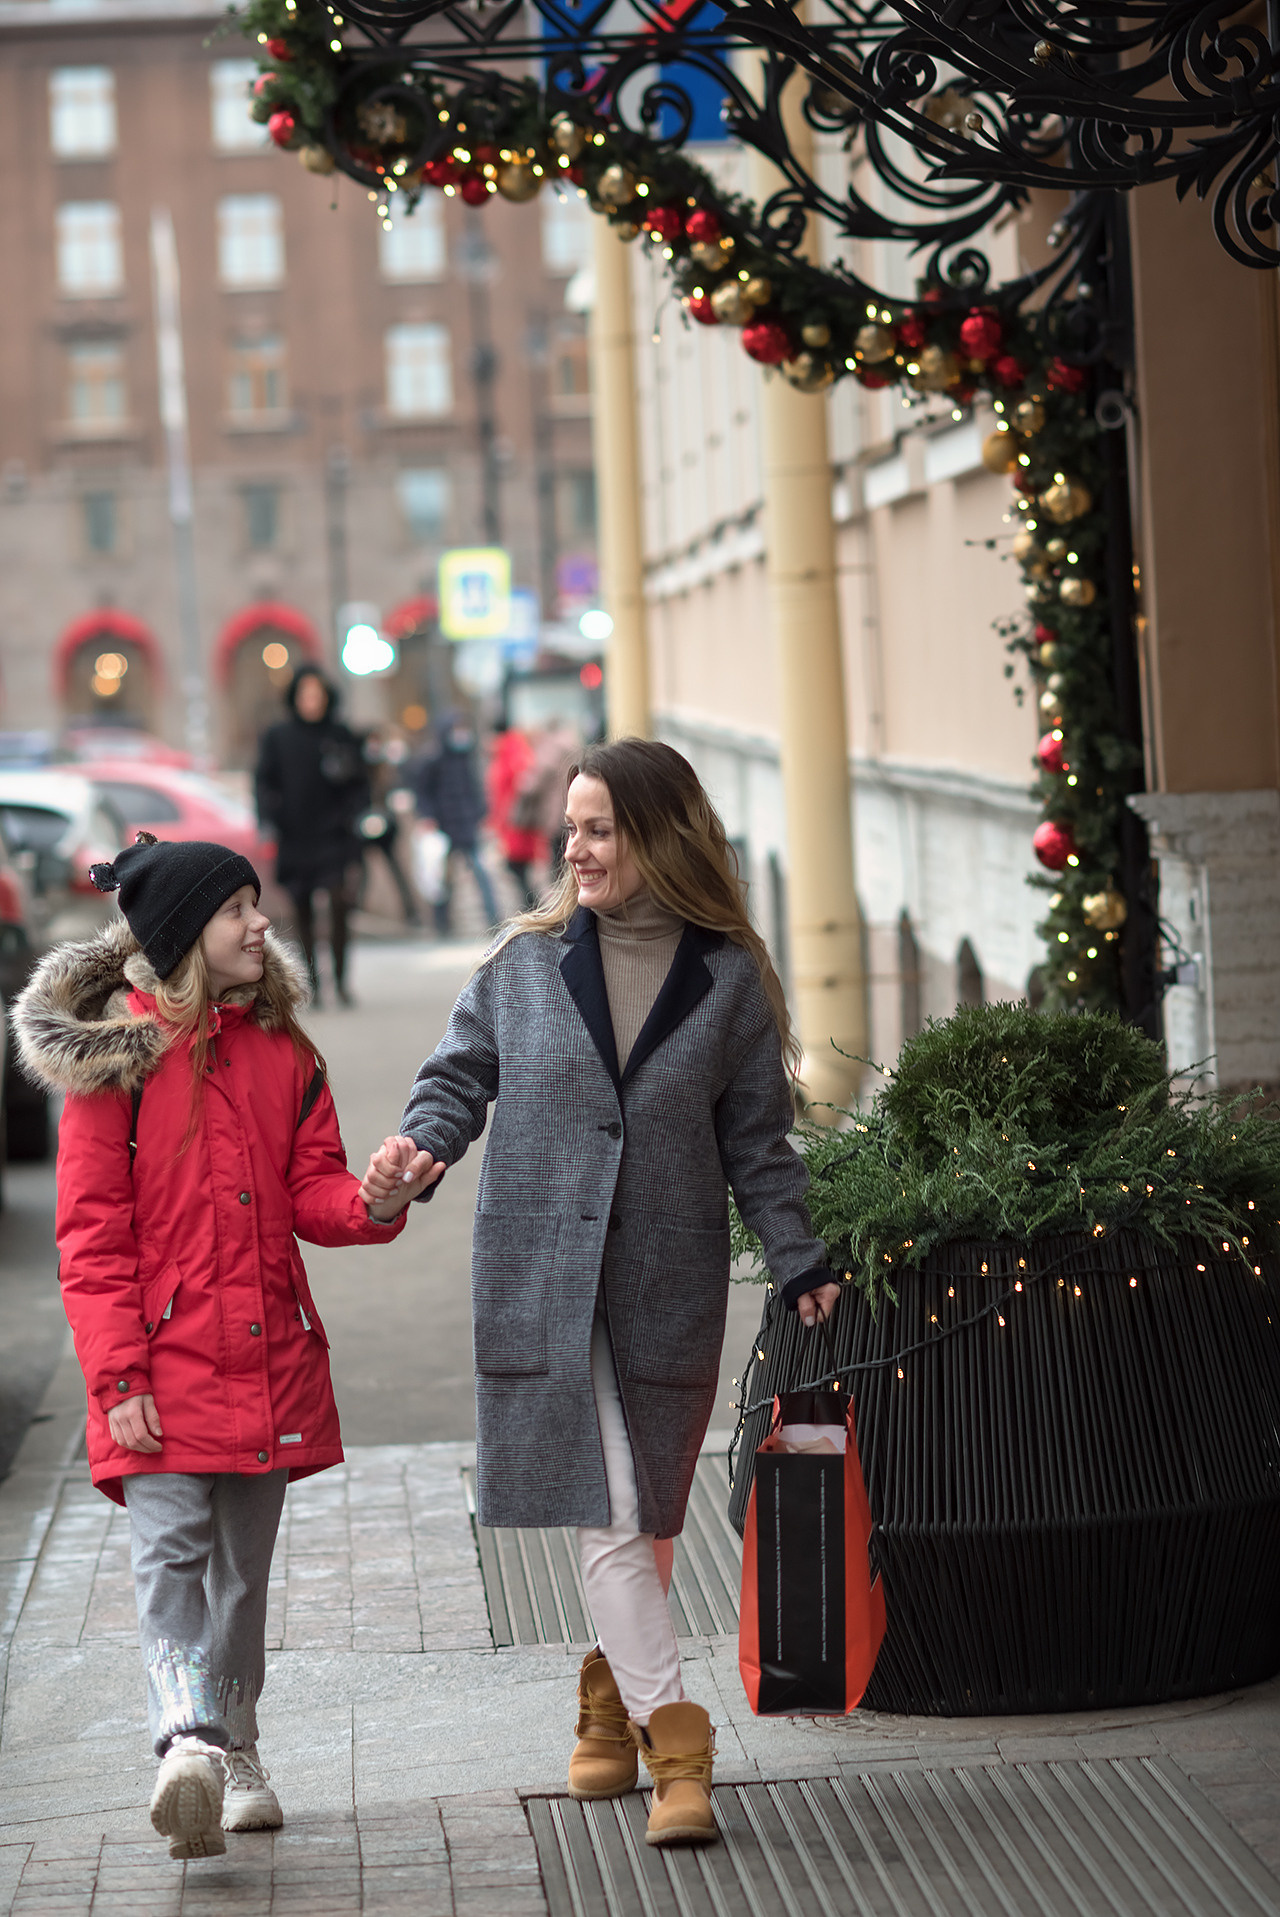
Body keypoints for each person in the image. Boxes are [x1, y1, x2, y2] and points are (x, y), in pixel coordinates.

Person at [382, 739, 839, 1847]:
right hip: (541, 1273)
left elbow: (757, 1143)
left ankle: (605, 1696)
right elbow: (456, 1077)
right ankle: (679, 1747)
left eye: (598, 829)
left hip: (662, 1281)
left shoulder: (726, 980)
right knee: (613, 1511)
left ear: (657, 835)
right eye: (570, 829)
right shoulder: (521, 963)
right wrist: (417, 1148)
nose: (574, 850)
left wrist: (800, 1259)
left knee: (653, 1514)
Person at [13, 833, 443, 1862]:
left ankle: (235, 1747)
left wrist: (378, 1198)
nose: (261, 924)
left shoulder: (285, 1053)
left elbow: (316, 1194)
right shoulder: (113, 1068)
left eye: (258, 906)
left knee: (241, 1581)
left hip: (267, 1364)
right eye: (237, 910)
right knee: (170, 1561)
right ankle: (186, 1748)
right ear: (183, 937)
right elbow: (91, 1238)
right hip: (155, 1372)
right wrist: (116, 1375)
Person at [254, 665, 370, 1005]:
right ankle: (314, 985)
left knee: (338, 905)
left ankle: (342, 980)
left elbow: (361, 784)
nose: (311, 702)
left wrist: (355, 813)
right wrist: (269, 818)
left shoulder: (340, 734)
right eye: (305, 695)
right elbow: (263, 781)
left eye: (317, 695)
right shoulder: (278, 736)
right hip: (296, 835)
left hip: (335, 836)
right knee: (301, 910)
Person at [409, 713, 500, 934]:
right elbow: (422, 793)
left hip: (466, 826)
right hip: (444, 828)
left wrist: (480, 815)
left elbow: (475, 790)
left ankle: (494, 919)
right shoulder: (432, 760)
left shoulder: (465, 758)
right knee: (443, 879)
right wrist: (429, 816)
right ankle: (442, 924)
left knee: (481, 874)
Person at [486, 722, 547, 908]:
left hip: (516, 825)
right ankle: (530, 907)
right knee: (518, 868)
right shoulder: (510, 753)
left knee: (517, 866)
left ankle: (531, 907)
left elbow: (518, 790)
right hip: (512, 824)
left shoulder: (511, 755)